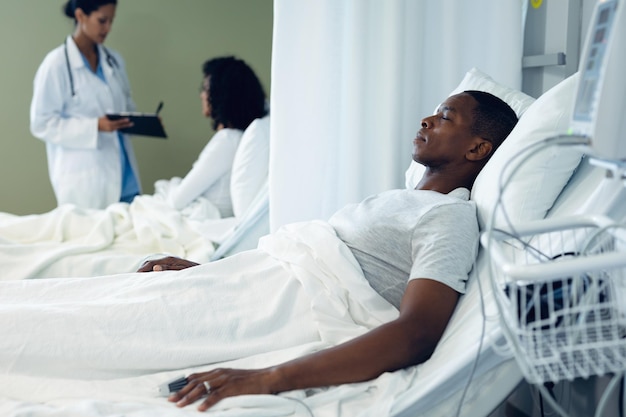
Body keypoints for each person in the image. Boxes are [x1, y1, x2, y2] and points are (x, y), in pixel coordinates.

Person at [0, 90, 517, 412]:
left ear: (477, 149)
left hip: (268, 312)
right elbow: (308, 257)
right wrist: (212, 271)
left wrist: (269, 378)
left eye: (446, 116)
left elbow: (417, 332)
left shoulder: (449, 217)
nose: (427, 119)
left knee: (76, 329)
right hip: (244, 284)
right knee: (79, 302)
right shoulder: (401, 199)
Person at [30, 0, 141, 210]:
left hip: (124, 175)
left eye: (111, 21)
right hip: (85, 179)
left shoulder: (114, 61)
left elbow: (127, 105)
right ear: (81, 16)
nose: (108, 28)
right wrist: (95, 126)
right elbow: (42, 123)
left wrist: (142, 122)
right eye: (102, 21)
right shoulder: (55, 65)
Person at [164, 56, 268, 217]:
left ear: (220, 95)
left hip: (206, 223)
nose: (202, 95)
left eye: (205, 88)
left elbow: (177, 201)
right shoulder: (243, 137)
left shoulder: (227, 140)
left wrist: (173, 184)